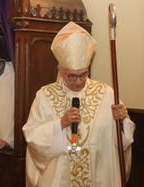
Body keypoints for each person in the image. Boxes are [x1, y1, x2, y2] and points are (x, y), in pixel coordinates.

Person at [22, 22, 135, 187]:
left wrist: (123, 120)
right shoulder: (45, 96)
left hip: (100, 177)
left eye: (83, 74)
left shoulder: (106, 93)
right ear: (60, 70)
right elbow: (32, 137)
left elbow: (122, 141)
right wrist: (60, 124)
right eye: (71, 76)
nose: (78, 81)